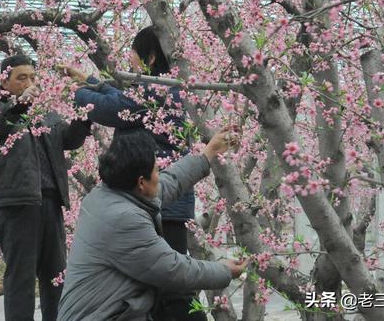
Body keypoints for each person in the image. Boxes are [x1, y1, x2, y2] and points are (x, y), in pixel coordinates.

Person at [59, 26, 203, 320]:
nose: (130, 62)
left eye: (134, 55)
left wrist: (77, 92)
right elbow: (124, 101)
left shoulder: (156, 90)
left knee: (174, 289)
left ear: (149, 58)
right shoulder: (162, 88)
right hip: (162, 203)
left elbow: (112, 108)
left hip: (162, 202)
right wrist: (89, 81)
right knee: (162, 285)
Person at [58, 129, 247, 321]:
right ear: (141, 182)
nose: (160, 173)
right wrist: (224, 271)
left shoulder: (109, 193)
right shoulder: (123, 219)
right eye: (157, 170)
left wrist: (208, 154)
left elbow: (170, 182)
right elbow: (174, 269)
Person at [0, 54, 91, 321]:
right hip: (19, 203)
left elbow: (70, 140)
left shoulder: (46, 113)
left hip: (51, 203)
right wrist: (19, 104)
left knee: (56, 277)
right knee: (21, 278)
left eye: (32, 77)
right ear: (4, 83)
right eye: (21, 78)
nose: (30, 82)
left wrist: (84, 114)